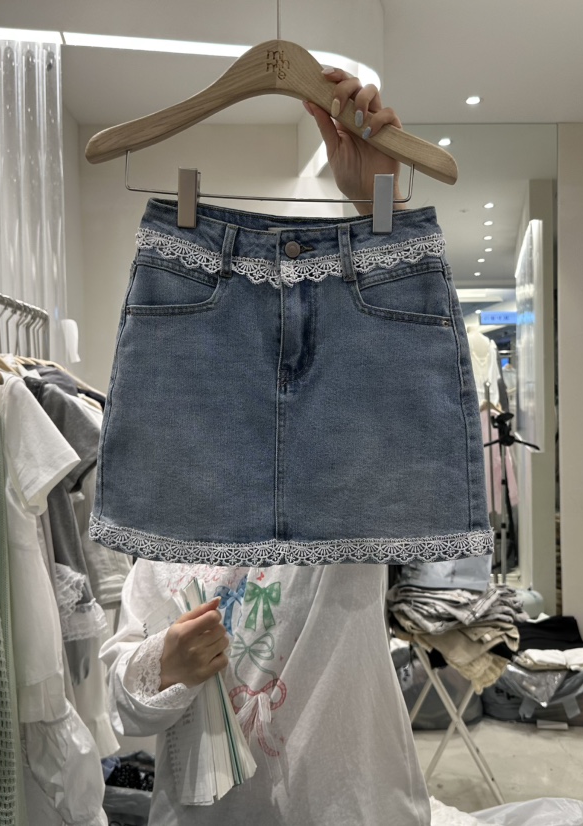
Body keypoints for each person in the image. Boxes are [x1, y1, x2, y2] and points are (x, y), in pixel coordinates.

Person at [100, 70, 433, 825]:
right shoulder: (166, 531)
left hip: (346, 806)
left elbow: (396, 372)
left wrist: (376, 202)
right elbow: (122, 704)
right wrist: (166, 662)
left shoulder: (339, 489)